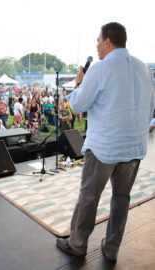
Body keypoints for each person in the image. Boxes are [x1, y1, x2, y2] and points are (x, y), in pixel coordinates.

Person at [56, 22, 154, 264]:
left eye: (98, 41)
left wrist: (80, 83)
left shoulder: (100, 68)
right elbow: (150, 107)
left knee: (89, 197)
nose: (97, 46)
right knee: (122, 198)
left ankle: (77, 244)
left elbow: (77, 106)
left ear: (108, 42)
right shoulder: (144, 68)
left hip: (104, 147)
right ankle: (111, 249)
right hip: (134, 147)